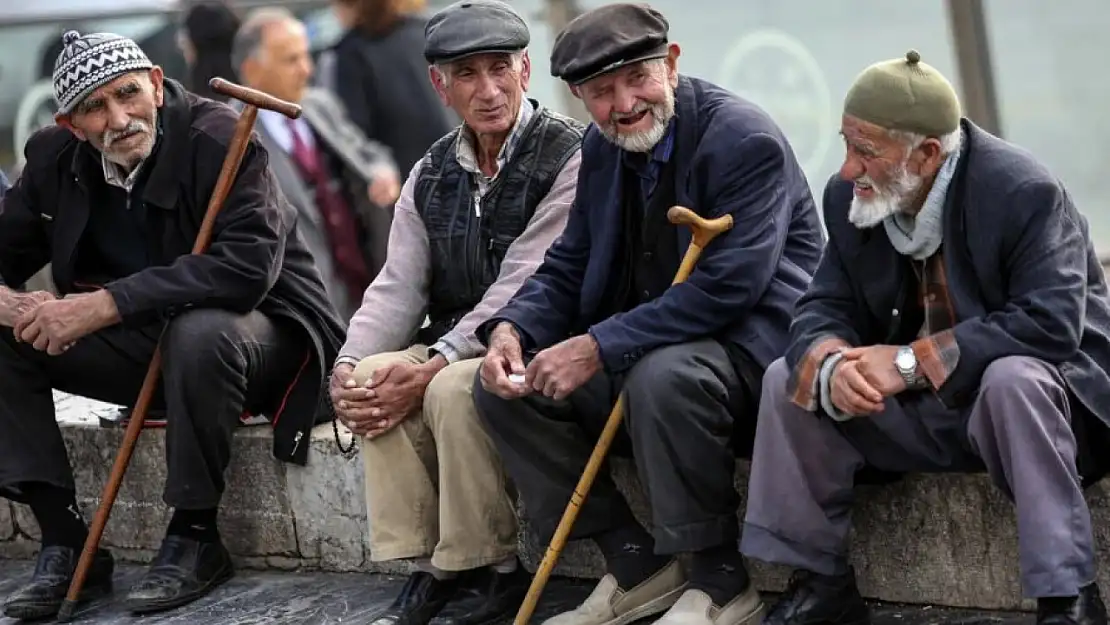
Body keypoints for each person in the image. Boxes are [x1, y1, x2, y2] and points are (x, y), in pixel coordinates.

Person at [471, 4, 824, 625]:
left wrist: (598, 346)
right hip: (650, 346)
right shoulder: (603, 149)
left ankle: (719, 578)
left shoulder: (743, 140)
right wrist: (511, 329)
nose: (625, 104)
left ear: (673, 63)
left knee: (661, 375)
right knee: (506, 389)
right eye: (602, 92)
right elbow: (568, 263)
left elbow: (729, 290)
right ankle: (635, 561)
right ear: (578, 95)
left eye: (638, 79)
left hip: (750, 352)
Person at [741, 50, 1110, 625]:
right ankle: (820, 582)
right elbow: (821, 304)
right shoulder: (851, 199)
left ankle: (1067, 598)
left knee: (1014, 378)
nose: (846, 169)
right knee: (790, 376)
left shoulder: (1023, 191)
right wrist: (834, 361)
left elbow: (1051, 324)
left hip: (1040, 414)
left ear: (928, 153)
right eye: (845, 145)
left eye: (866, 151)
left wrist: (911, 361)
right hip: (921, 413)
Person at [0, 30, 345, 619]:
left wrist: (103, 304)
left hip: (262, 339)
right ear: (70, 124)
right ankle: (63, 537)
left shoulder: (221, 138)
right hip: (145, 346)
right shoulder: (52, 159)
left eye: (128, 94)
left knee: (200, 330)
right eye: (94, 108)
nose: (118, 118)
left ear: (157, 84)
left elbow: (246, 270)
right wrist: (6, 303)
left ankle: (194, 535)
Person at [328, 1, 584, 623]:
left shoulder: (569, 155)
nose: (488, 89)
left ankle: (493, 566)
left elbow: (525, 281)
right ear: (440, 86)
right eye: (467, 74)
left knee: (446, 387)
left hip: (539, 339)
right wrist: (349, 360)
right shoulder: (430, 171)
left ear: (527, 70)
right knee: (371, 380)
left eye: (501, 68)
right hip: (453, 338)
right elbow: (397, 286)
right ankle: (430, 566)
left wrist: (439, 358)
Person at [233, 7, 401, 319]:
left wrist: (382, 173)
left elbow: (370, 153)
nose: (307, 70)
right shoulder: (231, 132)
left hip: (369, 285)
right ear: (252, 69)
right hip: (305, 303)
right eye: (291, 60)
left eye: (306, 56)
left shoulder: (320, 106)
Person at [323, 0, 456, 179]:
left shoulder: (351, 54)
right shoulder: (426, 31)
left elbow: (355, 134)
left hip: (410, 182)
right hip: (459, 164)